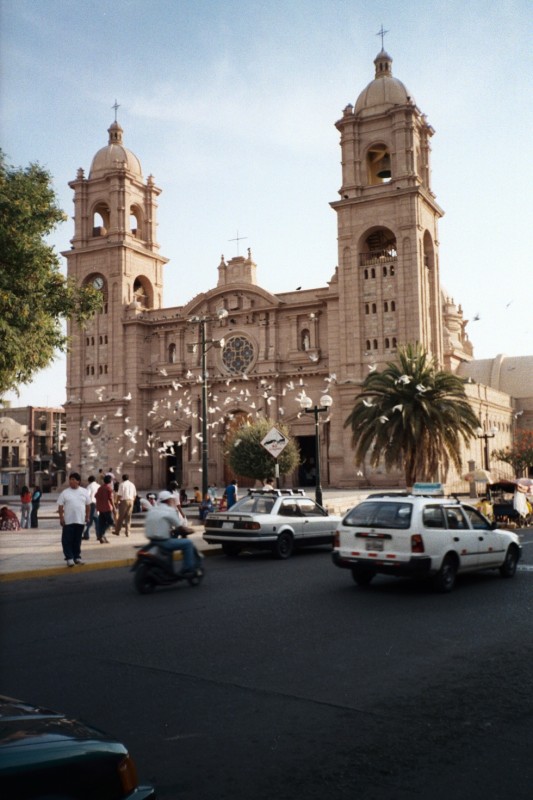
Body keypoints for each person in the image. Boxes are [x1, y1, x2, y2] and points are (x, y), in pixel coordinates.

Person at [144, 490, 200, 576]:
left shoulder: (153, 509)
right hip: (163, 541)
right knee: (188, 543)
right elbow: (179, 526)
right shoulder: (170, 510)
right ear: (168, 500)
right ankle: (188, 568)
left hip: (152, 541)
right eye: (171, 500)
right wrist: (190, 530)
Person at [57, 473, 91, 566]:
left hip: (80, 520)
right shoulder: (65, 492)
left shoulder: (84, 492)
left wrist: (87, 516)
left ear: (78, 481)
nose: (71, 481)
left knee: (77, 540)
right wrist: (61, 517)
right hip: (68, 521)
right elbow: (60, 506)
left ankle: (77, 557)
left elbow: (88, 505)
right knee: (67, 540)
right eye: (70, 479)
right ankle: (69, 558)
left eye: (73, 479)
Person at [94, 475, 116, 543]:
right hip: (107, 508)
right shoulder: (109, 489)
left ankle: (102, 536)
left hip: (100, 508)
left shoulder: (100, 488)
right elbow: (111, 499)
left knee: (102, 523)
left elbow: (96, 496)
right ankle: (101, 534)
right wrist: (114, 508)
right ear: (110, 481)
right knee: (110, 522)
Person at [83, 475, 100, 539]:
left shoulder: (89, 486)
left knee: (89, 519)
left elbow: (87, 496)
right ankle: (99, 534)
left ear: (89, 481)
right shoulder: (99, 486)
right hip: (98, 504)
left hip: (92, 504)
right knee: (96, 519)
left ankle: (86, 534)